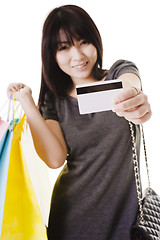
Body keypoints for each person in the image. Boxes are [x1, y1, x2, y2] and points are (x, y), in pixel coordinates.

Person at [7, 5, 152, 240]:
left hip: (125, 220)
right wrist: (27, 102)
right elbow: (54, 159)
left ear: (96, 41)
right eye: (64, 47)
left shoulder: (119, 72)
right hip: (72, 220)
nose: (78, 56)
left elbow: (129, 87)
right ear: (51, 55)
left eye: (84, 42)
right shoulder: (54, 100)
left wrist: (134, 100)